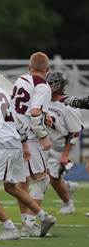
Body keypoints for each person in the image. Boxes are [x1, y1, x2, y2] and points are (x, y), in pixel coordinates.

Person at [0, 62, 56, 240]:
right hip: (15, 142)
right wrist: (23, 145)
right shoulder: (3, 93)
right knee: (11, 187)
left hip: (5, 146)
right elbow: (19, 122)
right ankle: (44, 216)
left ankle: (9, 228)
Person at [11, 52, 53, 237]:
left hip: (14, 134)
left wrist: (46, 116)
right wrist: (43, 135)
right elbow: (35, 112)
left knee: (22, 181)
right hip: (29, 136)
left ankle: (26, 222)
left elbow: (23, 108)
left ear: (29, 68)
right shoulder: (43, 85)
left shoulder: (20, 79)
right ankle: (30, 223)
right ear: (48, 70)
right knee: (42, 180)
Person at [45, 71, 83, 214]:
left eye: (51, 84)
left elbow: (75, 132)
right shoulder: (44, 101)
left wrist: (65, 154)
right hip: (45, 144)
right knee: (41, 176)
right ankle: (67, 186)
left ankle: (68, 203)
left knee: (53, 179)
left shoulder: (68, 106)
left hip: (60, 147)